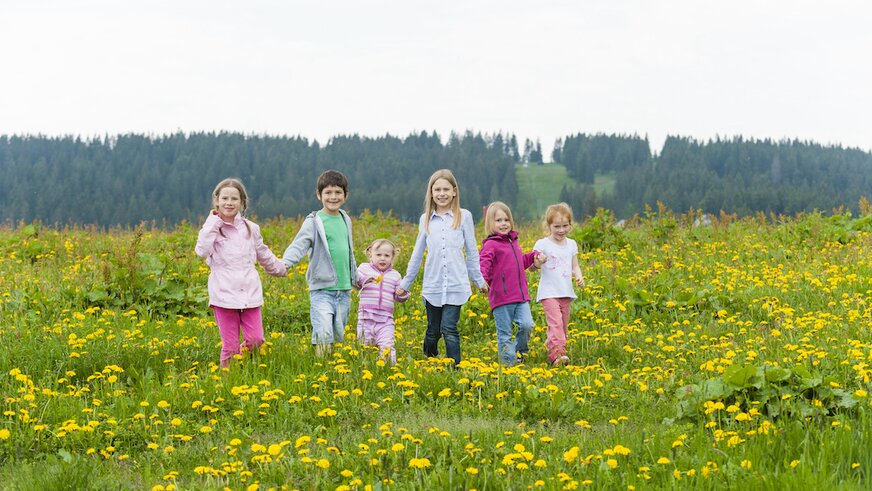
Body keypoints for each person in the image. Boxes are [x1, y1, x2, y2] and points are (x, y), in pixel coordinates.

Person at [397, 169, 488, 366]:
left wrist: (478, 280)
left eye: (446, 189)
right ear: (431, 193)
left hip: (456, 283)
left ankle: (455, 367)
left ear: (454, 191)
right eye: (437, 189)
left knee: (449, 328)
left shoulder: (464, 216)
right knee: (433, 330)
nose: (441, 193)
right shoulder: (425, 219)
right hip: (434, 284)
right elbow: (417, 253)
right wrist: (406, 282)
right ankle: (429, 360)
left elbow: (472, 251)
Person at [195, 178, 288, 368]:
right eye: (225, 198)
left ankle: (244, 363)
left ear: (242, 202)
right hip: (223, 295)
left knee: (256, 340)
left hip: (249, 294)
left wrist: (280, 268)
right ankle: (228, 380)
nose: (229, 203)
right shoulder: (211, 228)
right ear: (216, 201)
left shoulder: (250, 228)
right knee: (230, 347)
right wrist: (213, 222)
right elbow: (201, 251)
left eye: (234, 199)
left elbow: (263, 252)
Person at [281, 170, 358, 356]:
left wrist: (357, 277)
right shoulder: (314, 221)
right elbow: (299, 244)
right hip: (322, 289)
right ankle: (321, 367)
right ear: (319, 195)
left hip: (344, 289)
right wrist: (284, 263)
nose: (333, 197)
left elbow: (348, 251)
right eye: (328, 193)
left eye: (338, 192)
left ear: (345, 196)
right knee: (323, 332)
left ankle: (333, 369)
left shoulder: (345, 219)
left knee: (338, 334)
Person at [479, 202, 546, 366]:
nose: (503, 224)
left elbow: (519, 263)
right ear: (490, 224)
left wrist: (533, 256)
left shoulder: (513, 241)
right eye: (498, 220)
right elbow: (484, 264)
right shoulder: (490, 245)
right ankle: (509, 366)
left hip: (520, 296)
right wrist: (482, 280)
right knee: (505, 334)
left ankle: (519, 351)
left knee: (527, 325)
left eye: (506, 220)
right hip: (501, 298)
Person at [531, 203, 585, 366]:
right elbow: (532, 267)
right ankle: (558, 355)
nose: (561, 230)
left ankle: (553, 347)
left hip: (566, 292)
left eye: (565, 226)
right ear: (549, 226)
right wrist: (538, 263)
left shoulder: (571, 244)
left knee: (562, 326)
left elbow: (574, 265)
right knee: (555, 323)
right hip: (549, 293)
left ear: (570, 225)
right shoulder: (543, 244)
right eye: (557, 226)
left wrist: (579, 276)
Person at [355, 239, 410, 364]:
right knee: (363, 347)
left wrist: (403, 293)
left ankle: (388, 368)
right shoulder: (364, 268)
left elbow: (399, 297)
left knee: (387, 346)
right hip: (365, 318)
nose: (383, 258)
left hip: (385, 320)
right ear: (370, 254)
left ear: (392, 257)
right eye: (378, 255)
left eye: (387, 255)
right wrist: (364, 280)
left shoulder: (395, 275)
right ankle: (364, 368)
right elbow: (355, 279)